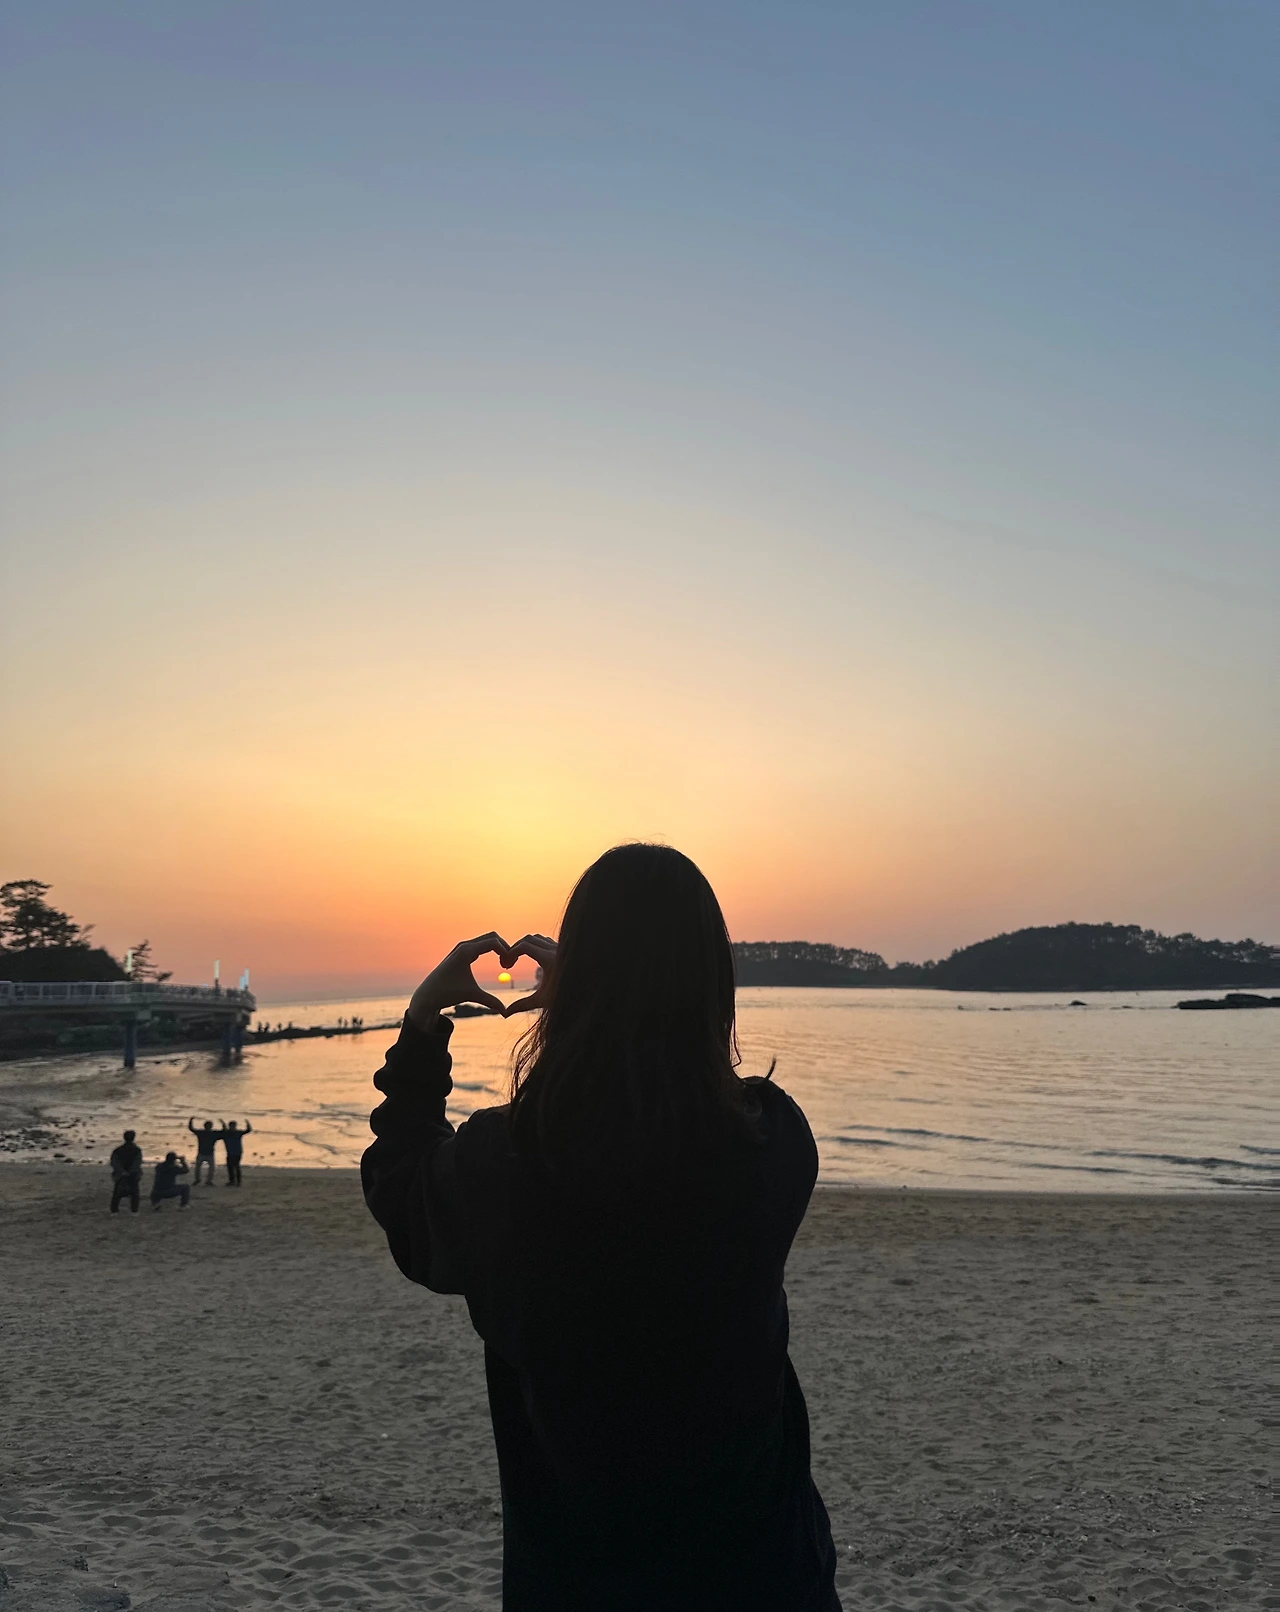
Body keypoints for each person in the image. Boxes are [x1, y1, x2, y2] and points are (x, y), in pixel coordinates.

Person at [362, 844, 840, 1611]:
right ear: (714, 980)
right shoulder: (774, 1144)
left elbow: (403, 1190)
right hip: (768, 1576)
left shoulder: (505, 1167)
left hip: (577, 1581)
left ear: (576, 985)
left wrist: (422, 1026)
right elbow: (699, 1100)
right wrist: (609, 998)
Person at [109, 1129, 143, 1213]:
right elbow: (137, 1163)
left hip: (120, 1174)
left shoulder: (117, 1150)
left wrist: (121, 1171)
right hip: (133, 1175)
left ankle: (114, 1210)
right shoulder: (137, 1150)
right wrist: (130, 1172)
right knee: (134, 1193)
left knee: (117, 1193)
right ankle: (134, 1210)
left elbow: (114, 1162)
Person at [188, 1117, 220, 1184]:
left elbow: (224, 1133)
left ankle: (207, 1181)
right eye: (207, 1126)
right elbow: (191, 1129)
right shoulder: (205, 1133)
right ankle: (200, 1180)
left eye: (209, 1126)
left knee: (210, 1168)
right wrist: (190, 1121)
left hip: (208, 1153)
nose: (208, 1127)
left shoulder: (211, 1133)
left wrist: (191, 1121)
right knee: (199, 1167)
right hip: (203, 1153)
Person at [222, 1119, 252, 1186]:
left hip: (237, 1152)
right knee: (230, 1167)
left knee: (236, 1166)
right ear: (229, 1126)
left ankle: (238, 1181)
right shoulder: (226, 1134)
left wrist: (248, 1123)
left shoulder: (238, 1133)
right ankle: (232, 1181)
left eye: (234, 1126)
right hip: (230, 1152)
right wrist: (223, 1124)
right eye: (231, 1126)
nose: (233, 1127)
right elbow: (224, 1130)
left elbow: (248, 1130)